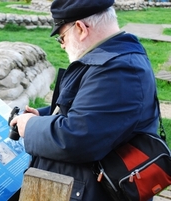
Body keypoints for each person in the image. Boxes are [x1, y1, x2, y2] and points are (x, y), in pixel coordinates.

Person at [9, 0, 159, 200]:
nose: (62, 46)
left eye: (62, 37)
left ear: (80, 28)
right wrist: (42, 116)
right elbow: (86, 111)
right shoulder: (112, 58)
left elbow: (78, 138)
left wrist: (31, 127)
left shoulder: (118, 70)